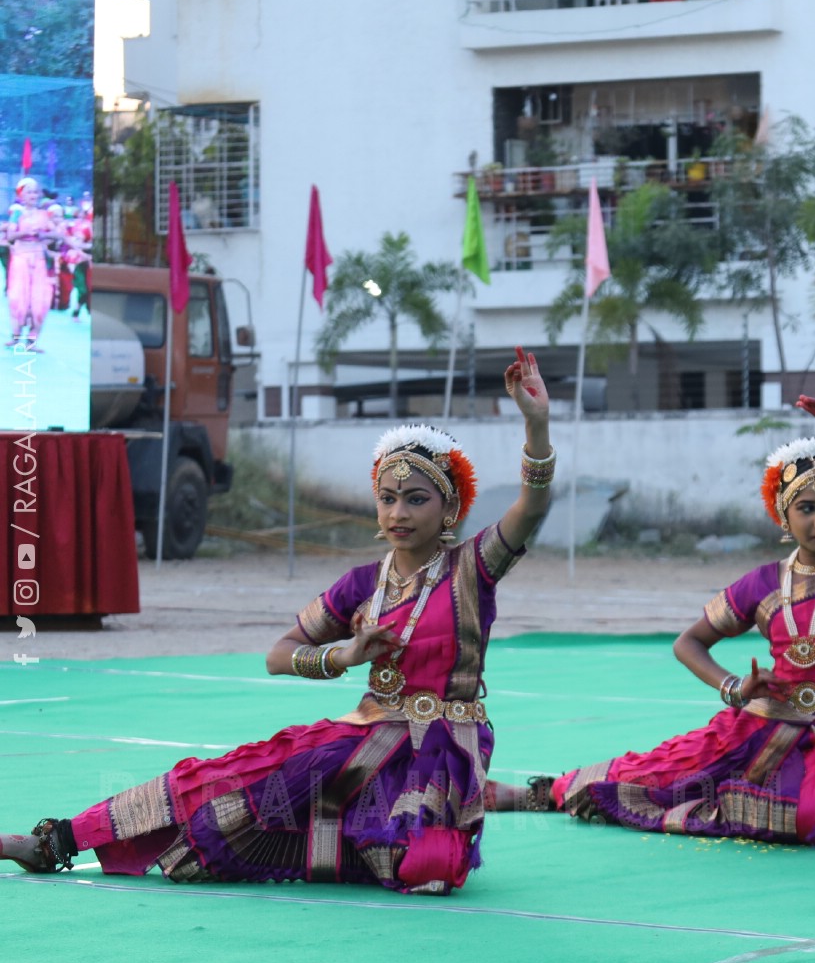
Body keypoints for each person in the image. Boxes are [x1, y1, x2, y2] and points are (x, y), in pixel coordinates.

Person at [1, 350, 556, 891]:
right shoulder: (363, 584)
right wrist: (342, 655)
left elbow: (531, 508)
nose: (398, 514)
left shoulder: (472, 567)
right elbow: (277, 655)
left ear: (450, 507)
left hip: (445, 749)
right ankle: (58, 841)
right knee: (226, 786)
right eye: (387, 499)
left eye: (415, 500)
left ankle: (462, 802)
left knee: (427, 866)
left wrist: (537, 428)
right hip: (364, 736)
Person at [520, 393, 815, 845]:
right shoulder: (763, 584)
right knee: (655, 775)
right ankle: (544, 792)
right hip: (763, 724)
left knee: (813, 817)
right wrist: (734, 688)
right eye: (807, 508)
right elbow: (688, 643)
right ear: (783, 515)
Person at [4, 177, 65, 351]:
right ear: (22, 195)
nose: (32, 195)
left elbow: (57, 234)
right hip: (21, 259)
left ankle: (32, 341)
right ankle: (16, 338)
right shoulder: (17, 213)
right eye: (28, 192)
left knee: (39, 301)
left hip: (38, 260)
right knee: (18, 299)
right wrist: (25, 232)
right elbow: (10, 236)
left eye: (35, 192)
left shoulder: (44, 215)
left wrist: (43, 235)